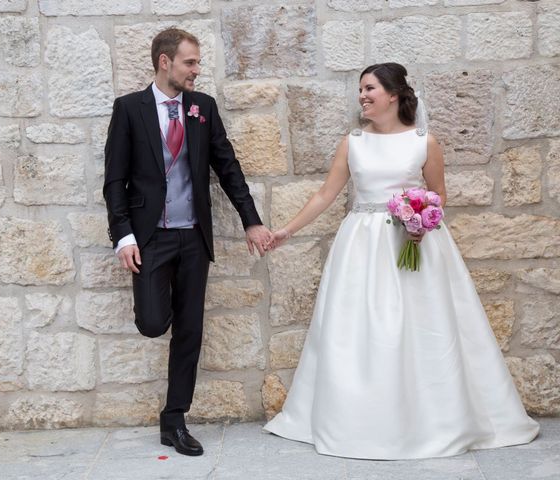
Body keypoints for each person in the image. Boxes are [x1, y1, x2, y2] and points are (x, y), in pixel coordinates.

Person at [263, 63, 539, 459]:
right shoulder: (353, 142)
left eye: (369, 88)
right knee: (358, 330)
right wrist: (286, 231)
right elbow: (326, 194)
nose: (362, 95)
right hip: (361, 246)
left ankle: (433, 418)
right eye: (361, 89)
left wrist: (421, 223)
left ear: (393, 94)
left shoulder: (424, 142)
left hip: (415, 245)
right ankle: (358, 418)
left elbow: (438, 194)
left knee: (423, 327)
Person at [103, 28, 271, 457]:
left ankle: (174, 419)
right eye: (190, 63)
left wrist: (251, 221)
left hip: (193, 237)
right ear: (165, 62)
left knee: (190, 330)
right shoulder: (129, 109)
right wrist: (124, 236)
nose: (196, 70)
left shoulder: (203, 108)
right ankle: (156, 318)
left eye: (197, 63)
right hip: (150, 237)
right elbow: (114, 181)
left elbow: (227, 168)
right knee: (154, 323)